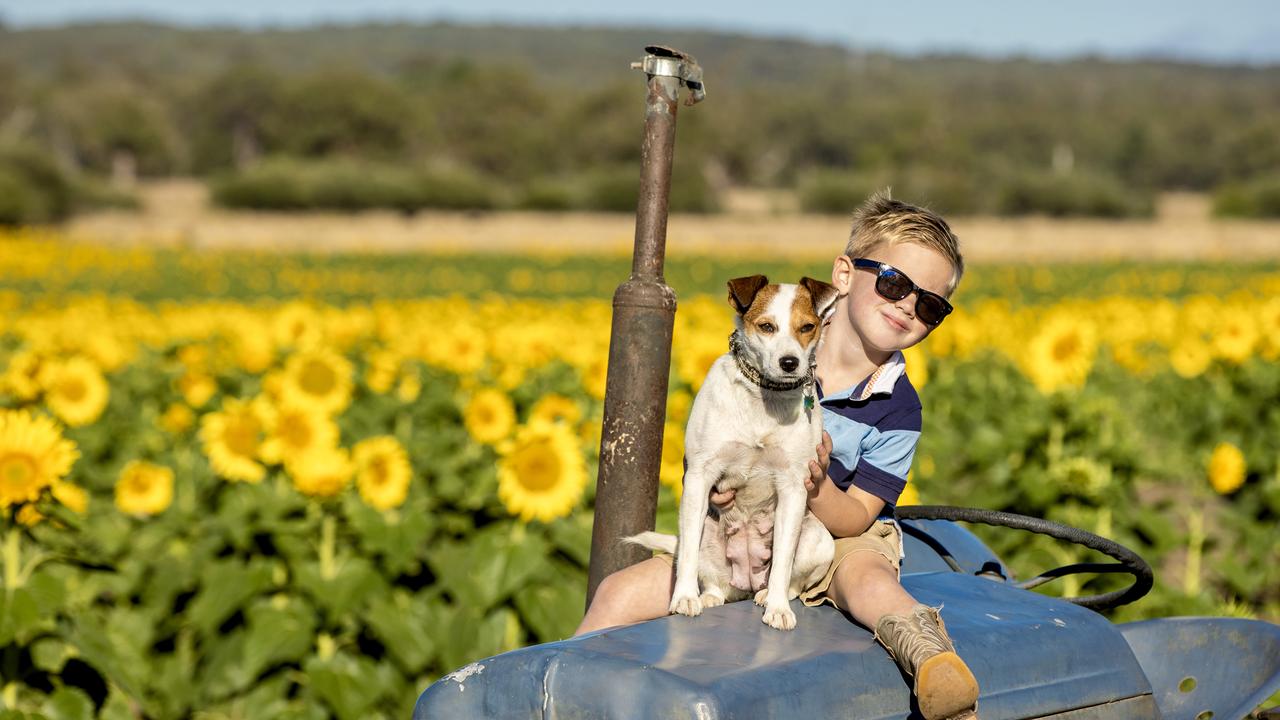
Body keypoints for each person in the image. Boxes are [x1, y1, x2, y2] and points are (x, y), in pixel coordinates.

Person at [575, 191, 979, 720]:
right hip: (734, 526)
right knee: (620, 591)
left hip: (834, 535)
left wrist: (815, 483)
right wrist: (725, 485)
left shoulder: (899, 407)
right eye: (894, 283)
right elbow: (706, 453)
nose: (907, 304)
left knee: (868, 580)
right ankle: (557, 681)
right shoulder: (782, 328)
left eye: (929, 304)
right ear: (843, 275)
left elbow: (858, 515)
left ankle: (936, 666)